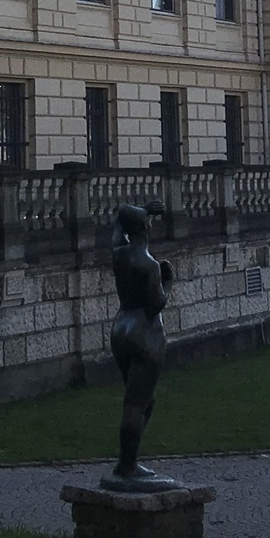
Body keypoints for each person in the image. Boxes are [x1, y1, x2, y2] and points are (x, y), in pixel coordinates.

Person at [105, 203, 177, 490]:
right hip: (145, 334)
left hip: (121, 328)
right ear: (146, 228)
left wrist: (142, 210)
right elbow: (156, 303)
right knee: (136, 403)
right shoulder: (149, 265)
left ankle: (128, 460)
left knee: (142, 400)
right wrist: (169, 279)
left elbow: (119, 220)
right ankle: (127, 466)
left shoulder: (119, 254)